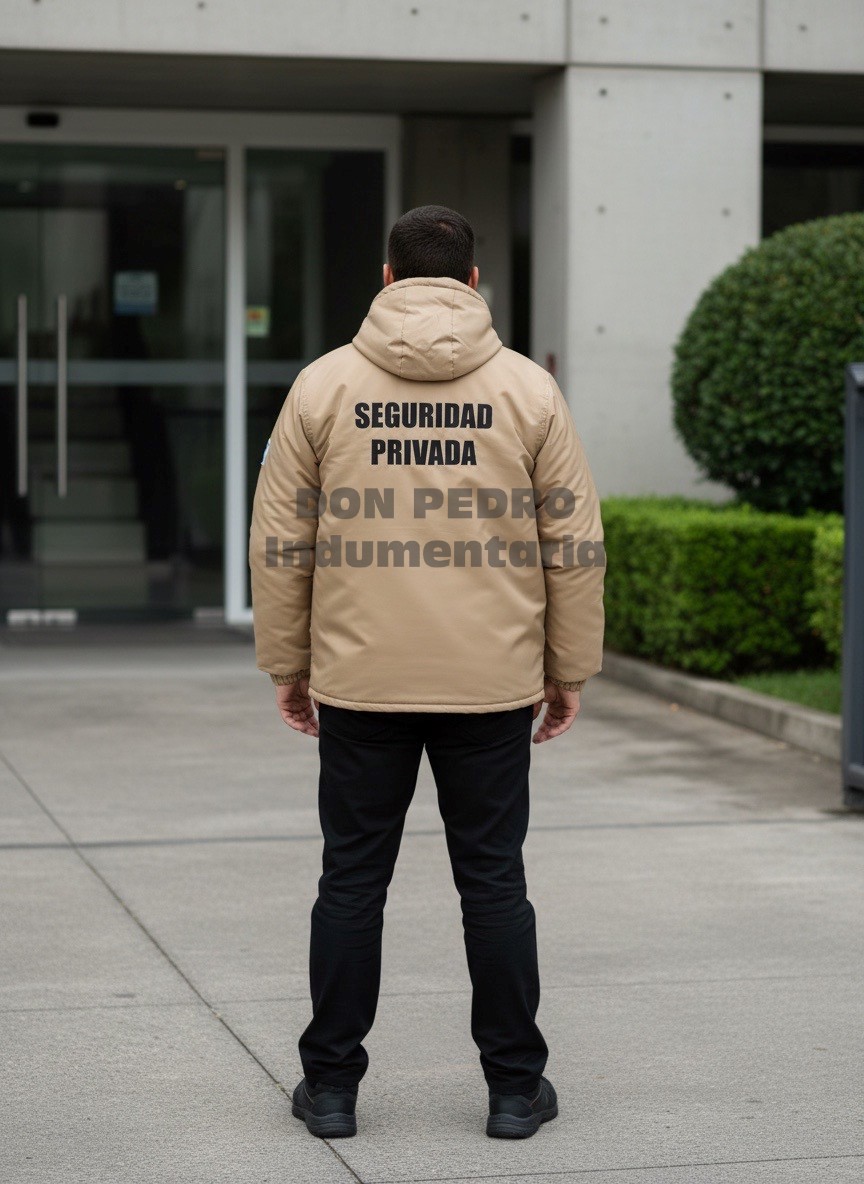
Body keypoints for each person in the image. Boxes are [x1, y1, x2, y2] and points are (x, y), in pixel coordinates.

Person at [249, 204, 605, 1140]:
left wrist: (289, 662)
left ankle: (331, 1089)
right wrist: (569, 668)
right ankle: (514, 1091)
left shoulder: (323, 386)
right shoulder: (529, 391)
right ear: (474, 282)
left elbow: (280, 541)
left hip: (361, 680)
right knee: (493, 884)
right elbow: (573, 543)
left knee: (350, 882)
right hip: (491, 684)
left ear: (387, 277)